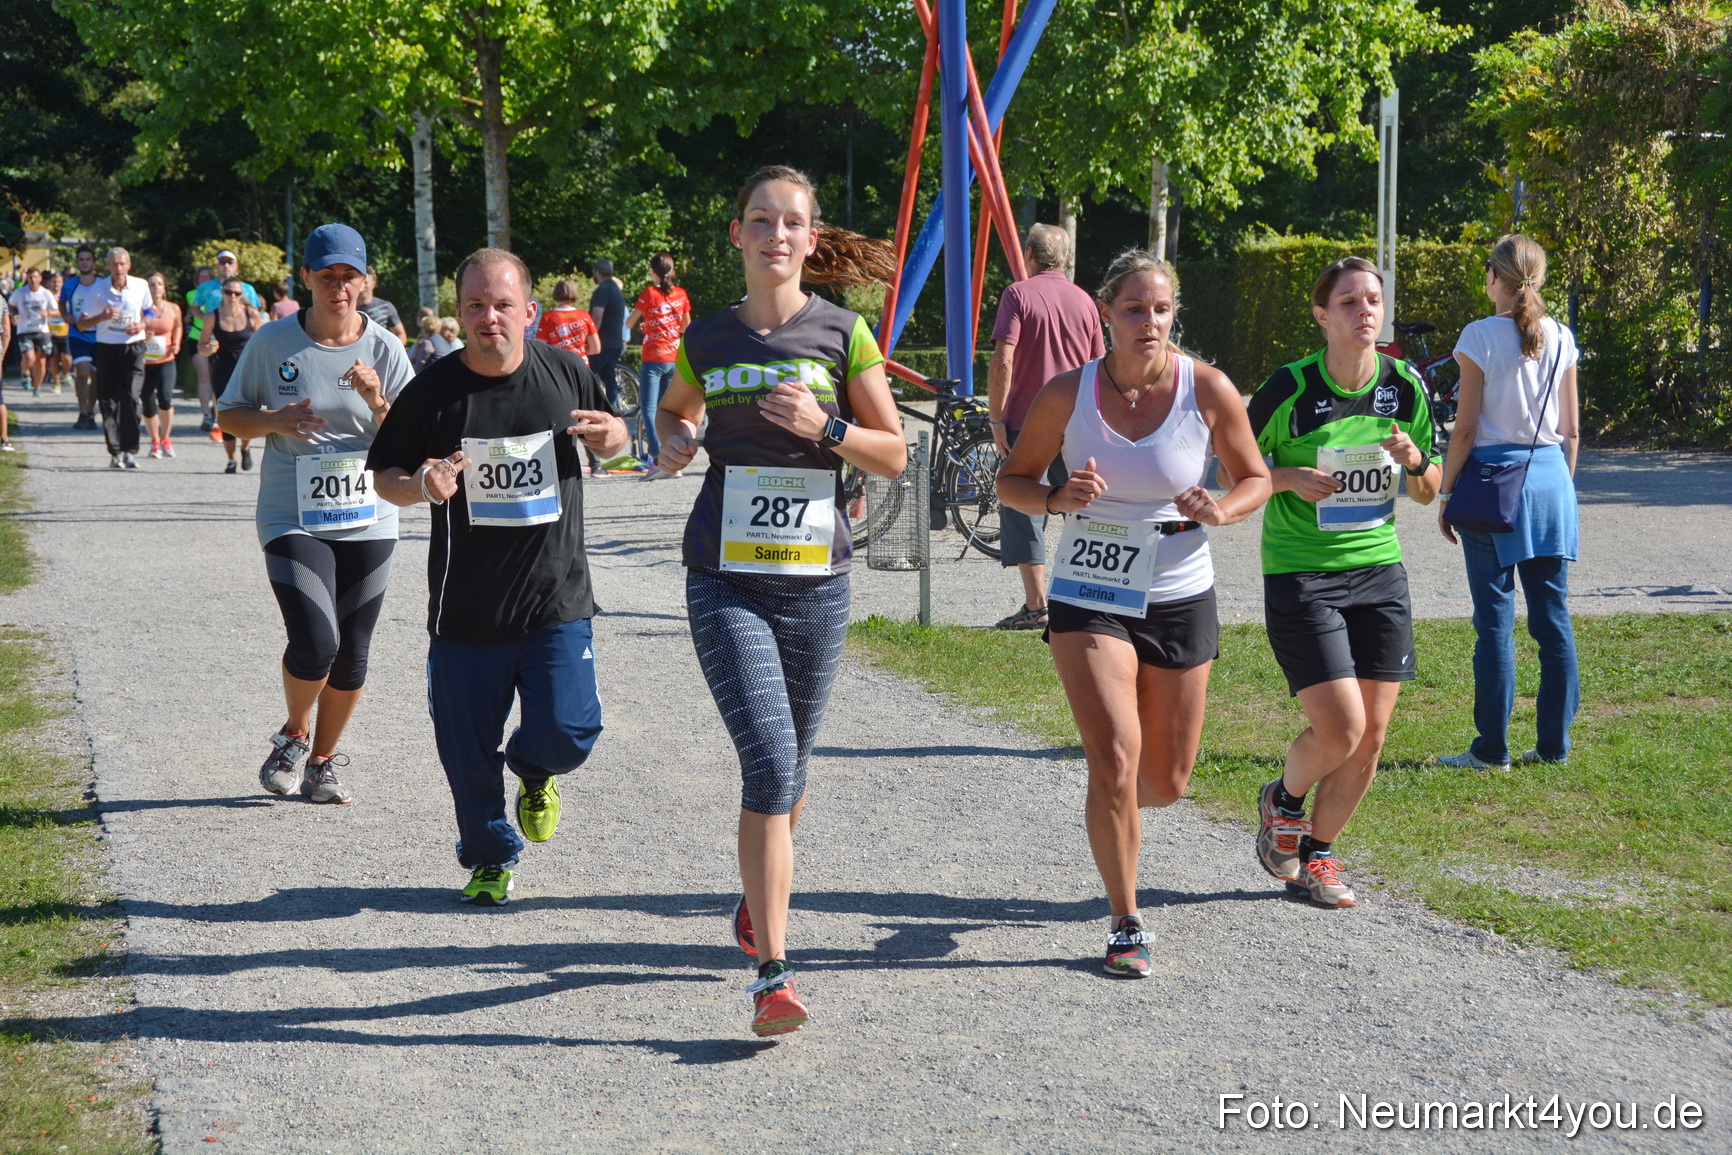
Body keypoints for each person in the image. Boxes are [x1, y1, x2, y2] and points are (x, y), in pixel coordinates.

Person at [655, 165, 907, 1036]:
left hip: (817, 584)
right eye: (760, 220)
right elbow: (674, 409)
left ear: (811, 237)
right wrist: (676, 438)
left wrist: (826, 428)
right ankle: (774, 974)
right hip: (724, 575)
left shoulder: (845, 332)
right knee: (768, 764)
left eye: (791, 222)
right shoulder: (708, 336)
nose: (776, 235)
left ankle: (758, 896)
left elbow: (893, 453)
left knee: (791, 771)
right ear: (738, 234)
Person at [998, 250, 1271, 975]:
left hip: (1180, 588)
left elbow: (1255, 477)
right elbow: (1012, 480)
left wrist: (1223, 507)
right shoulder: (1068, 392)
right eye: (1134, 309)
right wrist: (1055, 498)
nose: (1149, 322)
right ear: (1106, 313)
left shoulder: (1207, 388)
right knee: (1116, 755)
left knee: (1166, 782)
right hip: (1091, 588)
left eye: (1161, 309)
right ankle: (1126, 920)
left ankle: (1111, 803)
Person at [367, 247, 627, 905]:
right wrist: (422, 484)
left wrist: (613, 440)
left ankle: (535, 768)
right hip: (466, 610)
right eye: (477, 305)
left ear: (529, 311)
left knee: (570, 731)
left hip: (555, 598)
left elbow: (616, 437)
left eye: (503, 304)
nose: (491, 317)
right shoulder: (433, 390)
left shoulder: (566, 372)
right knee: (466, 751)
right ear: (459, 314)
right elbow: (386, 477)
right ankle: (489, 856)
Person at [1231, 256, 1441, 910]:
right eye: (1348, 302)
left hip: (1379, 571)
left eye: (1373, 299)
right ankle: (1283, 801)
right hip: (1302, 573)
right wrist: (1285, 478)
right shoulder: (1289, 387)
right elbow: (1232, 468)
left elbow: (1429, 489)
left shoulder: (1404, 385)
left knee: (1371, 735)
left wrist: (1415, 462)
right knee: (1342, 727)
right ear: (1322, 315)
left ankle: (1317, 853)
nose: (1364, 311)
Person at [215, 223, 413, 806]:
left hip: (369, 513)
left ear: (366, 281)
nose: (339, 287)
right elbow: (229, 415)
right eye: (327, 276)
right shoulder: (273, 341)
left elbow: (413, 437)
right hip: (292, 513)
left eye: (350, 276)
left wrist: (378, 401)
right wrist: (274, 421)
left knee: (353, 649)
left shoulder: (386, 347)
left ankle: (321, 761)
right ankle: (294, 734)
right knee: (316, 639)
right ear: (306, 277)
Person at [1436, 235, 1581, 770]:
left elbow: (1465, 429)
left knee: (1495, 621)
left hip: (1493, 484)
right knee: (1552, 617)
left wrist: (1446, 492)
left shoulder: (1479, 335)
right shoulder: (1561, 336)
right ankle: (1553, 746)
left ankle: (1491, 749)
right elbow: (1571, 431)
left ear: (1494, 278)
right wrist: (1558, 484)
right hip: (1550, 480)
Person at [987, 224, 1107, 630]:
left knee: (1023, 507)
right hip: (1078, 421)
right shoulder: (1085, 301)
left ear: (1029, 254)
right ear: (1066, 258)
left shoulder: (1017, 294)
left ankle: (1037, 605)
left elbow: (1003, 360)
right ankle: (1092, 594)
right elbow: (1099, 367)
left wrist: (997, 417)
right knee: (1085, 505)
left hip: (1027, 420)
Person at [77, 247, 155, 469]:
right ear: (108, 266)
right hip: (107, 347)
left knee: (131, 396)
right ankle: (115, 451)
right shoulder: (98, 289)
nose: (118, 268)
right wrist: (102, 316)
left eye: (122, 263)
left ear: (129, 265)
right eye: (114, 264)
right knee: (109, 399)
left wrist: (141, 325)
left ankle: (130, 450)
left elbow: (149, 312)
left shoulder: (140, 285)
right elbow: (81, 324)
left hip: (134, 347)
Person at [627, 252, 691, 478]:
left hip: (653, 358)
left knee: (649, 410)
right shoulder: (681, 294)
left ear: (653, 271)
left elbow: (629, 322)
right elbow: (685, 327)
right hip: (674, 358)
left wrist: (649, 322)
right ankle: (672, 463)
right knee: (667, 412)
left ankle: (657, 459)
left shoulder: (649, 293)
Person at [193, 252, 264, 438]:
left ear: (236, 265)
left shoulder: (247, 288)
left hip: (242, 340)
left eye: (229, 262)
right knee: (213, 380)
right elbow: (194, 307)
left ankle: (243, 435)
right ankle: (216, 419)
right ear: (217, 265)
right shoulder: (207, 287)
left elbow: (256, 314)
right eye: (222, 262)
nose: (226, 265)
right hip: (216, 339)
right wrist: (207, 321)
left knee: (247, 398)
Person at [198, 277, 265, 473]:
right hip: (222, 368)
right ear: (222, 293)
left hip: (247, 369)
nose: (232, 296)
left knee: (249, 412)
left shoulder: (251, 313)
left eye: (237, 293)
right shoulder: (212, 316)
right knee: (225, 414)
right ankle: (231, 459)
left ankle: (245, 447)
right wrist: (209, 348)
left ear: (242, 295)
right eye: (228, 292)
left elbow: (263, 341)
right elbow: (201, 347)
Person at [140, 272, 183, 459]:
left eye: (158, 284)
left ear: (164, 287)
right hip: (144, 362)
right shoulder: (141, 309)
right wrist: (143, 335)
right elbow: (132, 328)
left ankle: (166, 438)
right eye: (151, 284)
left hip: (166, 360)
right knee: (148, 402)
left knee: (165, 398)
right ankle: (154, 441)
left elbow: (178, 326)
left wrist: (177, 342)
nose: (155, 287)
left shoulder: (173, 308)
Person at [61, 246, 102, 430]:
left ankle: (91, 411)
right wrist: (65, 316)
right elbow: (62, 303)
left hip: (100, 335)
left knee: (97, 377)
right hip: (78, 334)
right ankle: (82, 411)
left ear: (94, 263)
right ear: (78, 263)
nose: (84, 263)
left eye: (88, 259)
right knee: (82, 371)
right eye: (81, 260)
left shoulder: (103, 284)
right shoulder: (70, 284)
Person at [10, 267, 59, 398]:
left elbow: (57, 311)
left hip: (42, 331)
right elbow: (11, 305)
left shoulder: (46, 293)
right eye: (30, 277)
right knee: (29, 358)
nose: (33, 280)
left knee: (41, 361)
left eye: (35, 277)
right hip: (24, 330)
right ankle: (25, 373)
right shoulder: (20, 292)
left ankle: (37, 387)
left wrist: (48, 312)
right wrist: (14, 314)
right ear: (27, 278)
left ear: (40, 278)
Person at [587, 258, 627, 407]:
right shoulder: (616, 289)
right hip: (615, 343)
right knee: (608, 378)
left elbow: (597, 315)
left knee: (587, 375)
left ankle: (585, 408)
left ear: (597, 272)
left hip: (603, 343)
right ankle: (612, 410)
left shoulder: (603, 290)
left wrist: (590, 337)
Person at [533, 278, 601, 364]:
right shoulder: (585, 316)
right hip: (581, 365)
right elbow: (596, 348)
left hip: (558, 365)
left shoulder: (547, 318)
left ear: (556, 292)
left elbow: (541, 350)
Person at [186, 264, 216, 430]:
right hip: (197, 336)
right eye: (200, 277)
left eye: (206, 277)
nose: (203, 280)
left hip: (216, 338)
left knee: (217, 377)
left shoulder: (219, 293)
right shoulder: (192, 294)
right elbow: (197, 310)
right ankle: (206, 415)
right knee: (204, 377)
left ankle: (217, 414)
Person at [357, 268, 408, 344]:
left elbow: (401, 334)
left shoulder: (386, 307)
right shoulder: (347, 308)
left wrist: (391, 349)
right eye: (360, 283)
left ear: (373, 283)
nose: (362, 286)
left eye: (366, 283)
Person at [44, 271, 71, 393]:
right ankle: (57, 384)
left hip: (64, 331)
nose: (56, 284)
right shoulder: (46, 295)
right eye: (54, 281)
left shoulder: (65, 295)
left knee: (67, 358)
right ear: (50, 282)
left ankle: (65, 373)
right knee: (53, 359)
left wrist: (51, 313)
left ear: (62, 283)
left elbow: (66, 311)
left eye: (59, 281)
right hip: (50, 332)